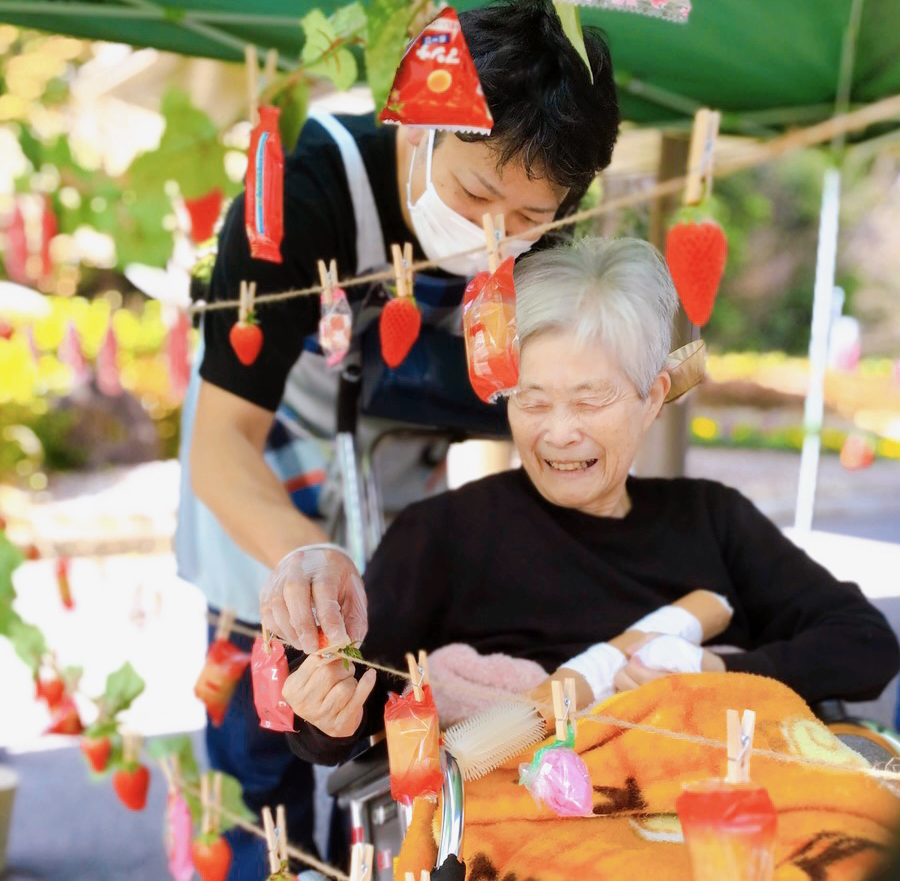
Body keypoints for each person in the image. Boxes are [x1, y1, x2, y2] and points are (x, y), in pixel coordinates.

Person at [175, 0, 620, 874]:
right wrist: (304, 558)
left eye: (531, 219)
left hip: (396, 496)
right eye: (476, 192)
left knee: (383, 764)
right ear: (418, 122)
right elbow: (220, 442)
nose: (497, 234)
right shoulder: (296, 192)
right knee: (259, 771)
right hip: (265, 502)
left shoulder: (547, 240)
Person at [277, 236, 900, 763]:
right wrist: (324, 712)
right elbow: (358, 698)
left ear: (652, 396)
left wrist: (714, 675)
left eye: (589, 400)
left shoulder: (712, 517)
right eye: (533, 401)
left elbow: (865, 645)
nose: (559, 431)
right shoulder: (443, 532)